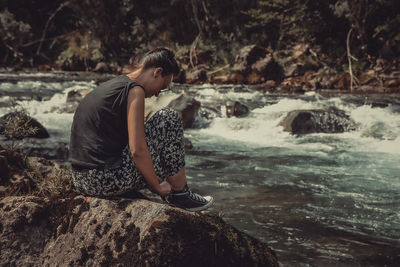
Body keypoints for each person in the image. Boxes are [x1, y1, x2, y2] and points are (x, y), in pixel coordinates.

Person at [69, 47, 213, 211]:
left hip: (81, 180)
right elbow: (137, 149)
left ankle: (177, 192)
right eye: (163, 86)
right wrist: (157, 187)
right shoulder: (135, 90)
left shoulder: (114, 85)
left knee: (153, 157)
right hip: (104, 180)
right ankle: (181, 194)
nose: (159, 92)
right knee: (169, 117)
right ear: (157, 72)